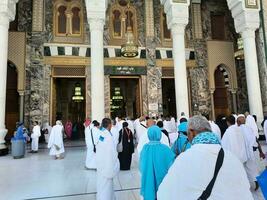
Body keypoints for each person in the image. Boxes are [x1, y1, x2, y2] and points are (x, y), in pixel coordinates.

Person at [157, 115, 253, 200]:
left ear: (192, 132)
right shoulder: (232, 158)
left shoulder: (185, 158)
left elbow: (164, 194)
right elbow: (244, 192)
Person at [140, 125, 175, 200]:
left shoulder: (145, 148)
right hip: (162, 180)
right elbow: (172, 165)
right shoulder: (165, 149)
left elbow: (141, 165)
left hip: (148, 179)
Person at [96, 118, 119, 200]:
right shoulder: (108, 136)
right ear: (109, 125)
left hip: (101, 163)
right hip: (107, 165)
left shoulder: (101, 134)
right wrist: (115, 163)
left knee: (102, 184)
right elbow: (111, 152)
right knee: (106, 186)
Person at [237, 115, 261, 190]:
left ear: (238, 122)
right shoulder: (249, 128)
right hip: (252, 151)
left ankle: (251, 182)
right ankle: (255, 181)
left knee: (246, 169)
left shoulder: (238, 130)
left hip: (245, 152)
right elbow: (255, 139)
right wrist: (260, 151)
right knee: (252, 168)